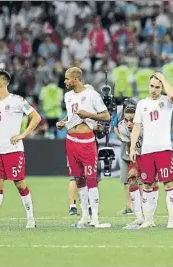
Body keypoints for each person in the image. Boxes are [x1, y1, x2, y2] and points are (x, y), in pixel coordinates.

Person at [0, 69, 42, 229]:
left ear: (1, 82)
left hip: (14, 150)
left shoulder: (17, 100)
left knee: (20, 184)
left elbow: (36, 117)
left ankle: (31, 219)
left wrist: (23, 134)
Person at [56, 67, 111, 227]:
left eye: (67, 79)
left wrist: (89, 115)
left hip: (87, 142)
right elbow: (71, 114)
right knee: (78, 179)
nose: (65, 81)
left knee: (91, 179)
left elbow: (106, 116)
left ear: (76, 79)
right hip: (71, 140)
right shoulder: (67, 96)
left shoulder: (91, 95)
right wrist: (62, 122)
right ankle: (85, 216)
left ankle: (95, 219)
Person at [129, 72, 173, 229]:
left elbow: (172, 95)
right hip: (147, 151)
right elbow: (136, 127)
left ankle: (171, 221)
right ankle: (148, 220)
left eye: (157, 87)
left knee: (168, 184)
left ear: (161, 87)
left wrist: (163, 78)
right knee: (147, 185)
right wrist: (132, 148)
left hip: (164, 149)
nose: (154, 90)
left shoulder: (166, 101)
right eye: (151, 86)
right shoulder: (142, 104)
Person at [117, 105, 162, 229]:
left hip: (150, 154)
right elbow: (129, 143)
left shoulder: (146, 126)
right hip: (136, 155)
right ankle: (139, 217)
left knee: (151, 184)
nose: (128, 123)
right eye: (126, 120)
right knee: (131, 179)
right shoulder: (122, 126)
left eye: (132, 120)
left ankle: (150, 218)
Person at [114, 98, 138, 215]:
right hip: (124, 153)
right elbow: (114, 126)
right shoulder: (120, 116)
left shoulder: (139, 121)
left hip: (138, 154)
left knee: (139, 180)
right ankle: (129, 206)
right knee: (125, 180)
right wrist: (120, 136)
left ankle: (139, 206)